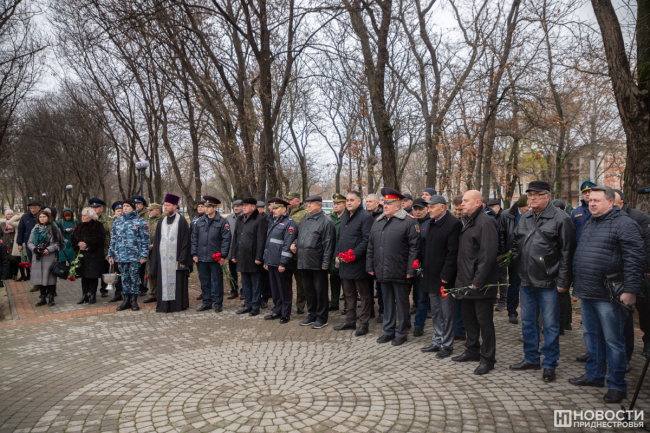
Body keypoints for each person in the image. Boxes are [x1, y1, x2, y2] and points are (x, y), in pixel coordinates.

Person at [569, 185, 645, 404]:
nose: (591, 204)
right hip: (588, 291)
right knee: (592, 336)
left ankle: (617, 385)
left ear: (611, 202)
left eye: (597, 200)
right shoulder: (590, 222)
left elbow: (634, 260)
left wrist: (630, 290)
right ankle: (594, 375)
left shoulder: (625, 224)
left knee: (613, 341)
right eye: (590, 200)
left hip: (610, 295)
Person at [509, 181, 575, 383]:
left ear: (547, 196)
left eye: (537, 194)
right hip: (526, 280)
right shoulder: (526, 217)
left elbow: (567, 253)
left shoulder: (561, 219)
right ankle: (531, 358)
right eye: (530, 194)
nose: (532, 198)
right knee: (528, 322)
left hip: (549, 282)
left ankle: (549, 364)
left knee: (550, 325)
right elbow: (516, 243)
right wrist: (516, 263)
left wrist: (563, 281)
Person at [453, 190, 498, 375]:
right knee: (469, 320)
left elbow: (488, 255)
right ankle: (472, 350)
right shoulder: (468, 221)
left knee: (484, 322)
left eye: (466, 201)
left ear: (478, 202)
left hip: (481, 284)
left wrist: (478, 281)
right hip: (466, 281)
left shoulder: (485, 222)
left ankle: (488, 359)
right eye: (462, 201)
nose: (462, 204)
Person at [367, 187, 420, 346]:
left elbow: (415, 248)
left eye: (389, 204)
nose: (386, 206)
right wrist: (370, 265)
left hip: (400, 270)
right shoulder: (378, 222)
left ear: (398, 206)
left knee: (402, 304)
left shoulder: (409, 222)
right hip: (382, 269)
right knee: (387, 302)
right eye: (385, 203)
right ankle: (388, 331)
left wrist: (411, 269)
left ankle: (402, 332)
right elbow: (371, 246)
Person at [421, 195, 462, 358]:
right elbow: (427, 249)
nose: (428, 210)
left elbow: (453, 252)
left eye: (432, 207)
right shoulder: (431, 223)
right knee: (436, 311)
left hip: (445, 278)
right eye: (428, 207)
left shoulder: (454, 224)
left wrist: (447, 274)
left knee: (447, 313)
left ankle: (447, 344)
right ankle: (437, 341)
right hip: (431, 275)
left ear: (442, 207)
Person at [614, 189, 650, 361]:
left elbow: (646, 246)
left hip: (640, 273)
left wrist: (646, 269)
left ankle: (647, 342)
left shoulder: (638, 217)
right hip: (616, 275)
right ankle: (623, 354)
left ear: (621, 203)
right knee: (623, 315)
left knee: (644, 311)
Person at [332, 191, 375, 336]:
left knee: (364, 295)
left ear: (359, 201)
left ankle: (364, 324)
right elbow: (339, 238)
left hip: (358, 263)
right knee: (349, 294)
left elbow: (366, 240)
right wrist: (337, 254)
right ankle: (350, 321)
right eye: (347, 200)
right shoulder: (345, 215)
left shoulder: (365, 217)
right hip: (344, 263)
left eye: (351, 200)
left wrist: (353, 255)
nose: (349, 203)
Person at [291, 195, 336, 329]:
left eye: (311, 203)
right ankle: (312, 315)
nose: (308, 206)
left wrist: (325, 263)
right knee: (308, 290)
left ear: (319, 205)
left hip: (318, 263)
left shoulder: (326, 222)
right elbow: (300, 236)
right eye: (307, 203)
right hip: (304, 261)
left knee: (320, 291)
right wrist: (295, 243)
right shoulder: (306, 219)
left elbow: (329, 244)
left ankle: (322, 317)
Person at [150, 194, 192, 313]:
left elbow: (186, 242)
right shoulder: (161, 222)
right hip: (163, 261)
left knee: (178, 282)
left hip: (176, 260)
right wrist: (156, 260)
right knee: (163, 282)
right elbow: (157, 242)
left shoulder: (181, 221)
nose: (165, 207)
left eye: (168, 205)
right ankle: (164, 306)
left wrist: (183, 259)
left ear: (174, 206)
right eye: (164, 205)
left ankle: (177, 306)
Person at [107, 198, 149, 312]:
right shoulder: (118, 221)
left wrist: (143, 255)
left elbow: (145, 240)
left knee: (134, 278)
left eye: (127, 206)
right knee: (124, 278)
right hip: (121, 256)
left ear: (133, 208)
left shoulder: (140, 221)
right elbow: (113, 239)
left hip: (135, 256)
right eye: (123, 206)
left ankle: (134, 301)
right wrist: (111, 255)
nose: (125, 208)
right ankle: (126, 300)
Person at [192, 195, 231, 313]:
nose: (206, 208)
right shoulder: (200, 221)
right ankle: (206, 302)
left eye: (209, 207)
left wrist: (223, 256)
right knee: (204, 281)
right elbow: (194, 239)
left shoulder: (222, 222)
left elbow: (226, 240)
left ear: (215, 208)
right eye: (205, 206)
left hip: (215, 258)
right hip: (202, 257)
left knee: (217, 281)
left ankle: (218, 303)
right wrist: (194, 254)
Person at [231, 197, 268, 316]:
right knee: (245, 283)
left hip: (253, 257)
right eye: (243, 205)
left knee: (255, 284)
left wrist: (259, 257)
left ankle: (255, 306)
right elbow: (236, 238)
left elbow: (261, 240)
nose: (244, 207)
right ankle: (248, 304)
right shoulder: (240, 219)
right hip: (242, 256)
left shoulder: (260, 219)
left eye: (246, 205)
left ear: (253, 207)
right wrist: (233, 254)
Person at [263, 198, 298, 324]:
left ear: (284, 209)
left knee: (284, 289)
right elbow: (268, 244)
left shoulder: (290, 223)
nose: (274, 210)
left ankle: (285, 313)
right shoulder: (273, 221)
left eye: (276, 208)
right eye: (273, 208)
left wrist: (283, 263)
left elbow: (287, 245)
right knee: (275, 289)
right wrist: (266, 261)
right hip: (271, 261)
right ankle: (277, 310)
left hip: (281, 263)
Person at [498, 194, 529, 324]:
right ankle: (512, 311)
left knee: (527, 286)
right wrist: (503, 254)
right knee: (514, 285)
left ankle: (528, 313)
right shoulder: (507, 215)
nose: (529, 210)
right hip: (513, 256)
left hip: (528, 256)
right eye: (527, 207)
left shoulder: (533, 214)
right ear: (520, 206)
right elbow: (501, 235)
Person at [28, 209, 65, 307]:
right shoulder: (35, 228)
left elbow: (58, 243)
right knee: (40, 279)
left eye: (44, 216)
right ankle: (43, 298)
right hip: (38, 257)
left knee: (50, 278)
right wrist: (35, 249)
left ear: (48, 217)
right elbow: (29, 242)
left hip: (49, 257)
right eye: (40, 217)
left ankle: (51, 298)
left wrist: (49, 249)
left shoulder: (53, 228)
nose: (42, 218)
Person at [71, 208, 105, 305]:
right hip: (82, 255)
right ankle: (84, 295)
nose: (83, 217)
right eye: (82, 215)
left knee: (93, 276)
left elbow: (100, 238)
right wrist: (78, 244)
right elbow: (73, 237)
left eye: (85, 215)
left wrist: (87, 244)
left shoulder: (98, 225)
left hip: (94, 255)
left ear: (91, 216)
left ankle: (93, 295)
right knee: (84, 276)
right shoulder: (79, 225)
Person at [411, 198, 431, 336]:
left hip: (422, 266)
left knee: (422, 297)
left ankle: (419, 324)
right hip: (408, 265)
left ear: (426, 209)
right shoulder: (410, 222)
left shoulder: (430, 223)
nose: (417, 212)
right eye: (415, 209)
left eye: (420, 209)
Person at [286, 192, 308, 314]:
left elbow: (304, 232)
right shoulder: (286, 213)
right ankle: (287, 303)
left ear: (297, 201)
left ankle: (301, 304)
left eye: (290, 200)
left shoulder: (305, 213)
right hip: (286, 253)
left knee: (300, 281)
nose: (287, 202)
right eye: (287, 200)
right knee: (287, 280)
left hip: (298, 253)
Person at [365, 193, 384, 322]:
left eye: (370, 201)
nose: (367, 204)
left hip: (378, 255)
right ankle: (369, 309)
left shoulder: (382, 217)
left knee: (381, 287)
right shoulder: (365, 216)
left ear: (377, 203)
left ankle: (382, 311)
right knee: (367, 286)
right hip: (366, 255)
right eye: (366, 201)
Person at [91, 198, 113, 299]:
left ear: (102, 209)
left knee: (104, 270)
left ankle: (104, 289)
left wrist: (108, 252)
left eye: (96, 207)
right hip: (93, 250)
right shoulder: (89, 220)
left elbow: (110, 237)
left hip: (104, 249)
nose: (94, 209)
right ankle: (92, 291)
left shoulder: (107, 220)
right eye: (93, 207)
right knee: (93, 271)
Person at [17, 199, 40, 287]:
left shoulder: (42, 216)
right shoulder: (25, 217)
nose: (33, 210)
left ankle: (44, 283)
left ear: (39, 208)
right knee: (31, 262)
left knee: (41, 263)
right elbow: (20, 230)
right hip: (29, 244)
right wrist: (19, 243)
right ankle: (35, 283)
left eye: (34, 208)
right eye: (31, 208)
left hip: (41, 244)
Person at [143, 204, 163, 304]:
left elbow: (164, 236)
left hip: (160, 251)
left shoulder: (163, 220)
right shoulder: (148, 221)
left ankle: (161, 293)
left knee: (159, 272)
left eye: (151, 210)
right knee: (151, 272)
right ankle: (152, 293)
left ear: (157, 211)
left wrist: (154, 245)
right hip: (149, 251)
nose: (149, 212)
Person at [328, 193, 345, 313]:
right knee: (333, 279)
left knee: (346, 282)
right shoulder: (331, 218)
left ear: (344, 204)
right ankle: (334, 303)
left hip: (344, 253)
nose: (336, 205)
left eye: (338, 203)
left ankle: (347, 306)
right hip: (332, 252)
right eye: (334, 203)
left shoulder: (347, 217)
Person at [226, 199, 242, 300]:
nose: (236, 208)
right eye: (234, 206)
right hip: (231, 249)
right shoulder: (228, 218)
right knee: (232, 271)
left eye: (238, 206)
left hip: (242, 250)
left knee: (243, 271)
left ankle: (244, 291)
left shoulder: (246, 217)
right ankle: (234, 290)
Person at [256, 200, 272, 309]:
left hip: (265, 251)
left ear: (262, 209)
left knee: (265, 277)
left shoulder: (267, 219)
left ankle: (264, 298)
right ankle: (256, 297)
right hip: (255, 252)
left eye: (258, 208)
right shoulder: (252, 219)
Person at [2, 210, 19, 282]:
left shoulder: (15, 223)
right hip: (6, 243)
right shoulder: (3, 224)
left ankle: (15, 274)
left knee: (15, 259)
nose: (10, 215)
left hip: (14, 243)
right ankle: (9, 273)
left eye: (11, 214)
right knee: (7, 259)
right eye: (8, 214)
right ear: (6, 215)